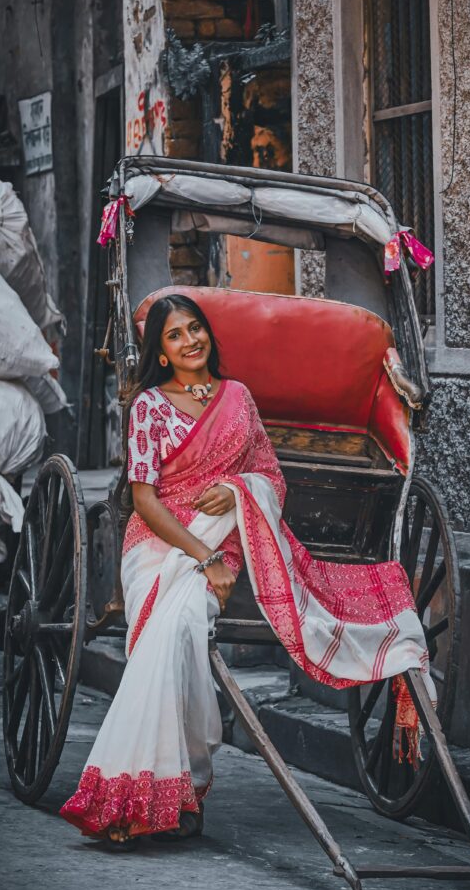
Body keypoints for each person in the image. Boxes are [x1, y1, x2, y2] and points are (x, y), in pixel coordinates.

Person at [60, 294, 433, 849]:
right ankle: (166, 786)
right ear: (160, 353)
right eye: (175, 336)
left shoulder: (238, 399)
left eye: (196, 329)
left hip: (228, 542)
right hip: (162, 547)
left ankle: (171, 789)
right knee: (180, 620)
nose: (191, 341)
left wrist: (238, 491)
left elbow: (270, 477)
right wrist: (202, 557)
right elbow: (144, 499)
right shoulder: (150, 407)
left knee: (184, 621)